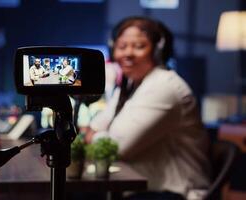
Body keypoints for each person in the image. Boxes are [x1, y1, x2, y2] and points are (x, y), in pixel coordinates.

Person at [85, 16, 210, 200]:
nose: (127, 53)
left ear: (158, 52)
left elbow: (117, 149)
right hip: (142, 188)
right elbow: (94, 128)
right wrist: (96, 135)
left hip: (174, 193)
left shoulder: (164, 87)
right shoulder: (130, 86)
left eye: (139, 46)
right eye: (121, 46)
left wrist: (94, 137)